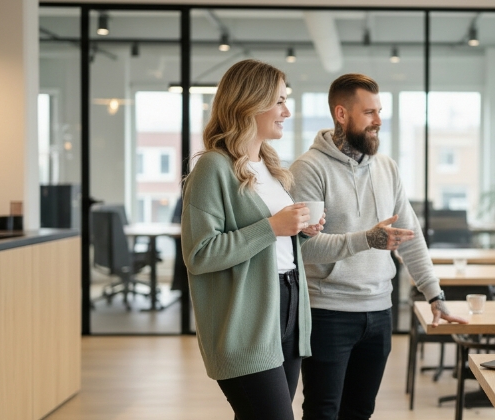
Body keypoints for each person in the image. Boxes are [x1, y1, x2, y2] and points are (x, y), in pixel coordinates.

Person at [288, 73, 468, 420]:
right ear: (341, 114)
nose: (379, 121)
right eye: (369, 112)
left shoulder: (387, 167)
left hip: (379, 313)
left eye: (380, 111)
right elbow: (304, 248)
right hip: (328, 313)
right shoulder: (309, 169)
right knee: (324, 412)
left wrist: (435, 295)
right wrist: (366, 239)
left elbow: (410, 236)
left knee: (359, 412)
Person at [180, 59, 325, 420]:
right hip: (246, 317)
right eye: (279, 101)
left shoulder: (272, 166)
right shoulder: (212, 167)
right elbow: (199, 254)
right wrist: (273, 228)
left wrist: (298, 235)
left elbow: (269, 246)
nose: (286, 112)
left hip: (288, 303)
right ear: (249, 103)